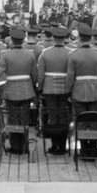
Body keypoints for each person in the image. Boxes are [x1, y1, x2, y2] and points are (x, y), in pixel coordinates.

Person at [0, 27, 37, 154]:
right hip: (27, 90)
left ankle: (15, 146)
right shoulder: (30, 54)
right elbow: (34, 75)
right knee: (24, 119)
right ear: (23, 41)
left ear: (11, 41)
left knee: (13, 119)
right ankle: (24, 146)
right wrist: (33, 88)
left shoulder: (6, 55)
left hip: (11, 91)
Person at [66, 23, 97, 157]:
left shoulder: (74, 55)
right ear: (90, 38)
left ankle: (84, 151)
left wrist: (69, 91)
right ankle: (93, 151)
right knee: (94, 121)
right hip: (95, 92)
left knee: (81, 122)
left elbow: (70, 77)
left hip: (78, 92)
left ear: (80, 38)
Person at [37, 25, 71, 154]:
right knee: (63, 116)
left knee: (52, 116)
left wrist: (40, 89)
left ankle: (54, 145)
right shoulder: (70, 53)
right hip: (65, 89)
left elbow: (40, 75)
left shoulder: (45, 53)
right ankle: (62, 146)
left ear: (53, 38)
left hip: (49, 88)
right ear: (64, 39)